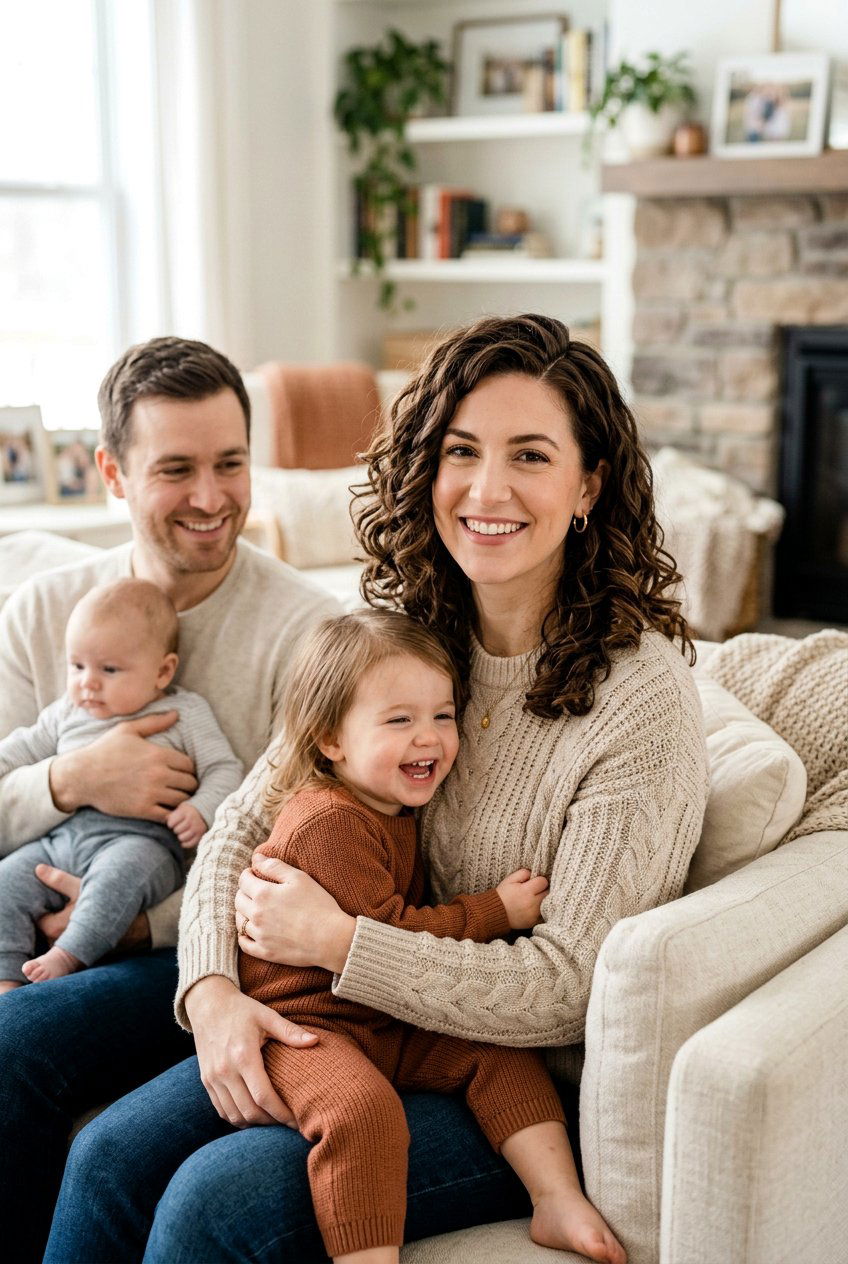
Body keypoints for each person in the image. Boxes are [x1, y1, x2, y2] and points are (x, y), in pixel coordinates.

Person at [47, 313, 709, 1263]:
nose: (487, 488)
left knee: (213, 1203)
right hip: (350, 1022)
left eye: (530, 454)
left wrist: (342, 941)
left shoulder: (636, 701)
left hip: (515, 1082)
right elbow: (244, 819)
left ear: (588, 485)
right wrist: (211, 992)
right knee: (108, 1155)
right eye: (461, 451)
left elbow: (566, 988)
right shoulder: (409, 633)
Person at [0, 335, 340, 1263]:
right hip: (35, 904)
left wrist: (136, 928)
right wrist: (72, 780)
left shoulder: (308, 634)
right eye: (176, 469)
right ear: (113, 471)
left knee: (11, 1040)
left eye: (231, 464)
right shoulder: (42, 613)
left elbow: (301, 863)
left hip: (191, 953)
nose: (210, 497)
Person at [239, 607, 625, 1264]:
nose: (430, 739)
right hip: (307, 1025)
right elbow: (389, 934)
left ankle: (557, 1199)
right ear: (331, 739)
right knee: (362, 1113)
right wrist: (494, 913)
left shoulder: (389, 802)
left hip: (382, 1016)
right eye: (399, 720)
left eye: (442, 716)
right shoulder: (329, 822)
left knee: (498, 1051)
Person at [0, 578, 243, 990]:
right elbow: (17, 752)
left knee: (117, 879)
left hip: (141, 842)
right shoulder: (66, 713)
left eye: (109, 670)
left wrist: (200, 808)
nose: (87, 683)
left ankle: (68, 954)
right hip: (59, 841)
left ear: (163, 671)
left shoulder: (184, 712)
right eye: (77, 666)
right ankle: (7, 976)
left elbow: (225, 769)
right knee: (6, 880)